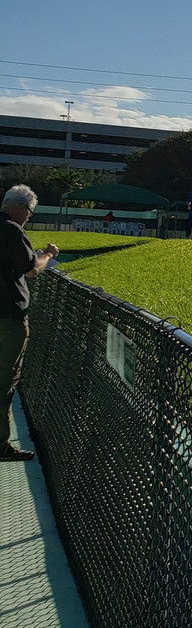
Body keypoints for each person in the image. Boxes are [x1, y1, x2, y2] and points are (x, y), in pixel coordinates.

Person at [1, 185, 60, 461]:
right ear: (22, 208)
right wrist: (47, 255)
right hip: (9, 318)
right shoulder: (12, 230)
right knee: (5, 381)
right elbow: (31, 269)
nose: (28, 217)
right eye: (30, 212)